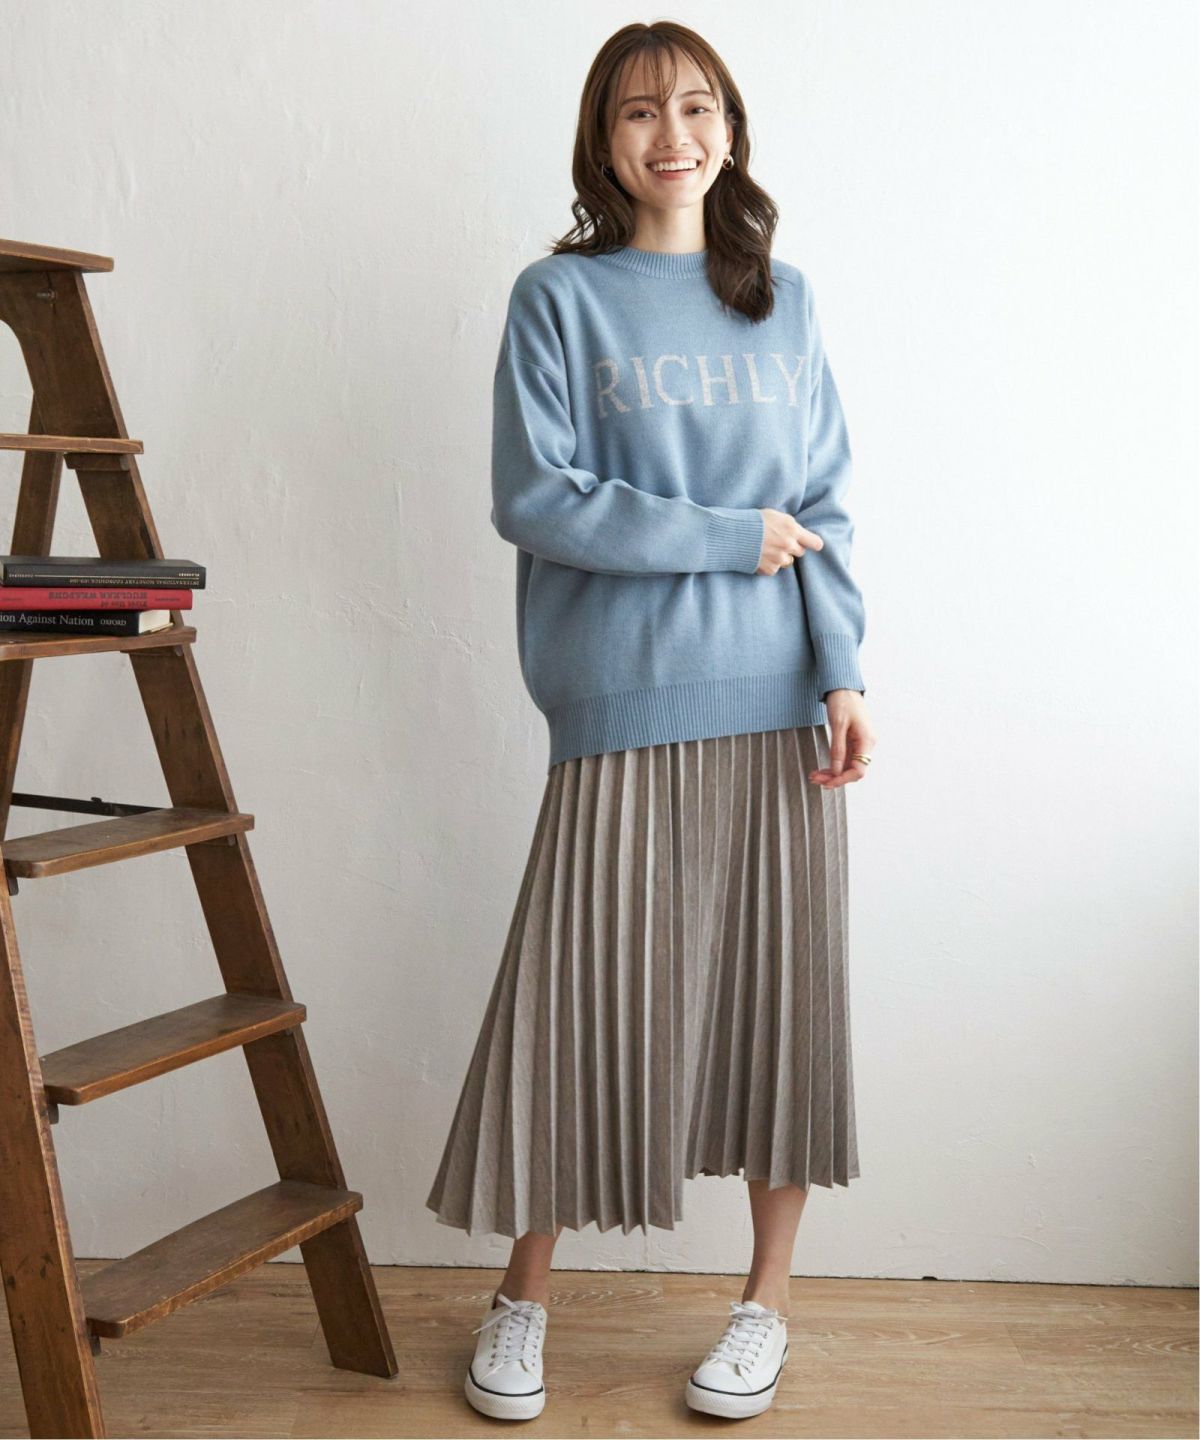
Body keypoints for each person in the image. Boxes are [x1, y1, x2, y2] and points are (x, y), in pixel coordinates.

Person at [424, 19, 876, 1424]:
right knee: (576, 1007)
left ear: (728, 127)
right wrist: (725, 537)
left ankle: (766, 1303)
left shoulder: (785, 303)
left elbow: (828, 503)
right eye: (637, 113)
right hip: (619, 700)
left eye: (694, 107)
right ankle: (521, 1299)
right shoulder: (559, 299)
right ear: (602, 141)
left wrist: (845, 669)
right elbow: (535, 496)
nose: (670, 135)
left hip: (778, 701)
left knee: (778, 1008)